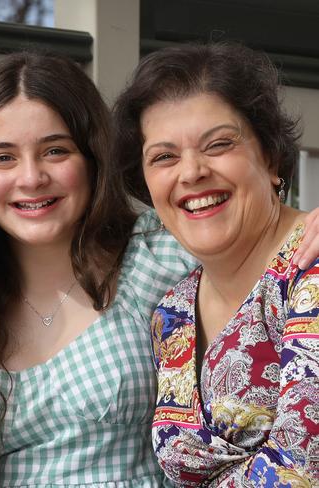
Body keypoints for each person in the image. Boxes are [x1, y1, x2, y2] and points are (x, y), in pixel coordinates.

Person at [0, 50, 317, 487]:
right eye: (3, 157)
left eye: (55, 151)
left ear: (93, 161)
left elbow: (257, 235)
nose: (31, 177)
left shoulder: (158, 258)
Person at [113, 42, 319, 486]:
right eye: (164, 157)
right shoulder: (172, 314)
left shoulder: (311, 268)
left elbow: (301, 468)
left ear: (270, 156)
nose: (191, 173)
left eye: (219, 144)